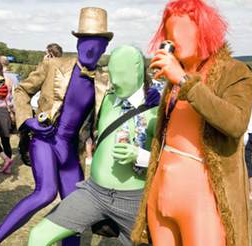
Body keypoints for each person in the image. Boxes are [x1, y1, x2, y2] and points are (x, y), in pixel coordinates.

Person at [131, 1, 252, 246]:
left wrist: (185, 81)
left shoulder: (234, 71)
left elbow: (236, 123)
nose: (173, 40)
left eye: (181, 32)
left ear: (204, 31)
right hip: (161, 192)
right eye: (169, 33)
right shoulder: (173, 79)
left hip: (202, 198)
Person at [0, 7, 112, 246]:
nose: (89, 48)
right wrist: (28, 120)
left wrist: (149, 101)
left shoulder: (105, 82)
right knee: (45, 193)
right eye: (84, 41)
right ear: (77, 42)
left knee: (74, 210)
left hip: (71, 151)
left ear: (105, 48)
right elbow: (21, 90)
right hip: (45, 140)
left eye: (96, 43)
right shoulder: (55, 65)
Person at [28, 45, 160, 246]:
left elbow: (175, 162)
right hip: (93, 192)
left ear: (138, 71)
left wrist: (141, 156)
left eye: (122, 73)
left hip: (134, 201)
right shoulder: (106, 98)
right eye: (112, 72)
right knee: (38, 236)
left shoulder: (158, 109)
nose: (115, 80)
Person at [17, 43, 63, 167]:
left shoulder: (59, 69)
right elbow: (22, 90)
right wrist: (26, 119)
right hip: (44, 130)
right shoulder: (46, 69)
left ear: (49, 55)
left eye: (46, 54)